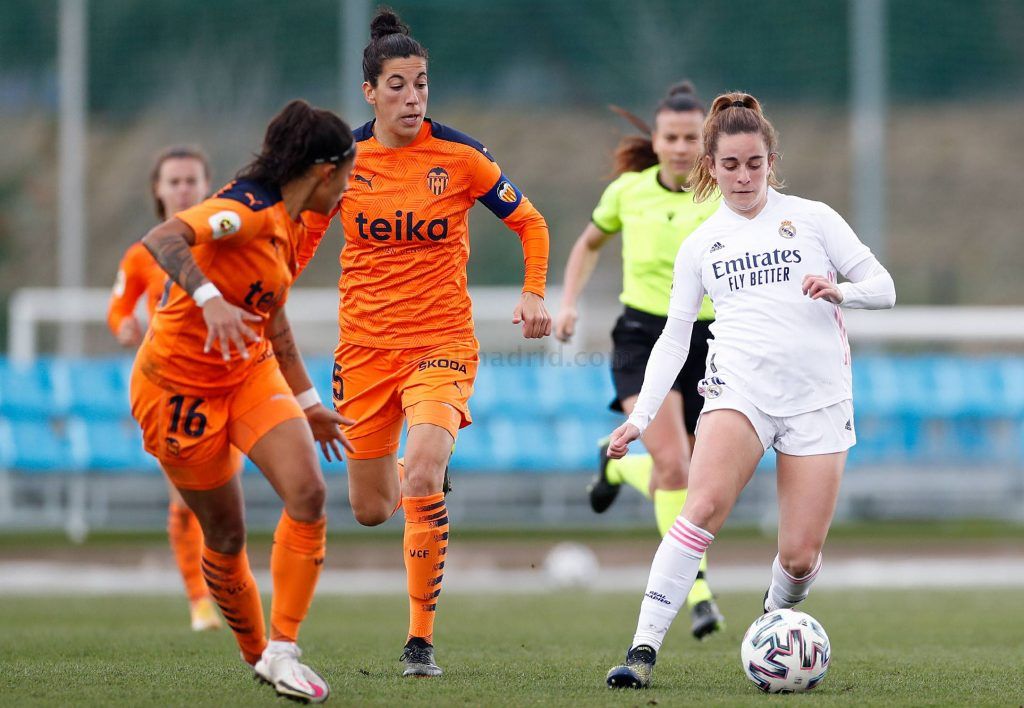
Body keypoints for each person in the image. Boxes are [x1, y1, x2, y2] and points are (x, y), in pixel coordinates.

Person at [603, 92, 896, 689]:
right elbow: (674, 339)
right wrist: (642, 417)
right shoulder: (701, 244)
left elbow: (884, 286)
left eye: (754, 163)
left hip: (818, 399)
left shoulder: (813, 218)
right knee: (700, 508)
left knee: (800, 557)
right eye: (731, 164)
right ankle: (642, 650)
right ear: (711, 166)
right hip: (739, 393)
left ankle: (772, 619)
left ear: (771, 161)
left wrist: (843, 292)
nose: (743, 176)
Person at [297, 7, 551, 678]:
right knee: (372, 509)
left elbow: (531, 223)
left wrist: (533, 291)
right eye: (399, 85)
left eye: (422, 84)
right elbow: (301, 241)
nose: (413, 98)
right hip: (364, 352)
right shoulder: (343, 164)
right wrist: (263, 289)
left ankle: (419, 643)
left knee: (421, 473)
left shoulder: (461, 157)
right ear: (370, 93)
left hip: (441, 342)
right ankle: (424, 475)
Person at [130, 100, 356, 703]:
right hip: (177, 391)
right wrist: (207, 298)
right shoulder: (244, 210)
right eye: (347, 174)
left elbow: (271, 314)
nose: (347, 187)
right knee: (226, 536)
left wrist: (308, 401)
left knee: (308, 492)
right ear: (325, 171)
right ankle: (257, 654)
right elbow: (163, 237)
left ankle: (283, 648)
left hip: (249, 372)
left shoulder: (292, 222)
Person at [554, 82, 725, 639]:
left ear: (706, 143)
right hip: (642, 337)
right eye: (670, 137)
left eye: (691, 138)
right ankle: (697, 593)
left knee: (689, 476)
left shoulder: (725, 195)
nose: (680, 148)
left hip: (710, 341)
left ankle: (617, 465)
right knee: (674, 467)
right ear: (654, 140)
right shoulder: (627, 192)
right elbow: (588, 244)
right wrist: (569, 303)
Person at [107, 145, 223, 633]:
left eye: (191, 180)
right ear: (158, 190)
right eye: (173, 181)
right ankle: (199, 600)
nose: (183, 189)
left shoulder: (223, 243)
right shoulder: (142, 254)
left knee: (223, 501)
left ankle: (231, 589)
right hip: (171, 387)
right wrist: (123, 327)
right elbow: (119, 306)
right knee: (185, 498)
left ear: (207, 186)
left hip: (226, 381)